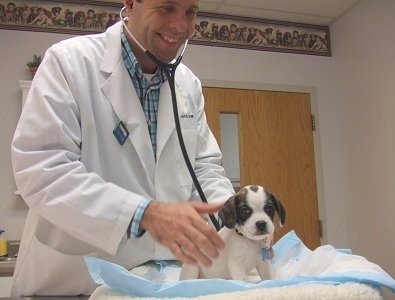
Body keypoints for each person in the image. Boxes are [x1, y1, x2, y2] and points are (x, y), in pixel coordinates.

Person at [11, 0, 235, 296]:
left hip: (157, 281)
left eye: (190, 12)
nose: (181, 26)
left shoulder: (188, 84)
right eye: (167, 8)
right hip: (72, 282)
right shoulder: (69, 63)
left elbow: (204, 168)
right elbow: (43, 171)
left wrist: (237, 218)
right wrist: (144, 214)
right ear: (129, 4)